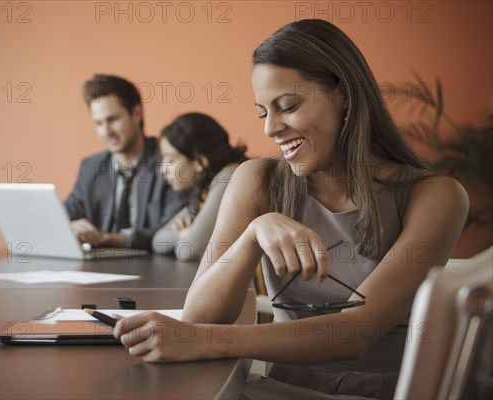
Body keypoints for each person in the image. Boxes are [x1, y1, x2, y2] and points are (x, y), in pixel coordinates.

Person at [110, 19, 469, 399]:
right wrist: (252, 235)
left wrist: (205, 341)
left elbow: (354, 333)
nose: (271, 129)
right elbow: (199, 316)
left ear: (343, 94)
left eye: (288, 106)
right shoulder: (256, 180)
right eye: (263, 113)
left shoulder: (435, 196)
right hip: (283, 389)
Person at [65, 74, 185, 249]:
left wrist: (109, 238)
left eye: (112, 120)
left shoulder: (170, 162)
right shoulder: (91, 167)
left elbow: (169, 229)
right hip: (99, 270)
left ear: (137, 113)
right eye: (98, 123)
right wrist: (70, 227)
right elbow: (61, 217)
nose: (106, 131)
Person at [152, 113, 248, 261]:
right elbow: (157, 240)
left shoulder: (229, 176)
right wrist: (184, 234)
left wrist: (188, 236)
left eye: (170, 160)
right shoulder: (204, 189)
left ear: (199, 162)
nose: (163, 169)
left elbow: (189, 250)